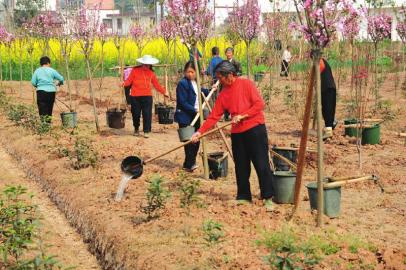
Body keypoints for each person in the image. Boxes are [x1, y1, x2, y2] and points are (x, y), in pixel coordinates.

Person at [191, 61, 275, 211]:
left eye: (220, 78)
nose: (219, 81)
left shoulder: (246, 84)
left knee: (261, 163)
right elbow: (213, 116)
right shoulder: (223, 94)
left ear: (230, 75)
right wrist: (199, 132)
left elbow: (259, 105)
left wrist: (243, 115)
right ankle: (243, 196)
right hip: (237, 133)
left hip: (255, 129)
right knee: (241, 166)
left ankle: (268, 196)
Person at [175, 61, 211, 172]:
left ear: (196, 73)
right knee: (189, 141)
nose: (190, 74)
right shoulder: (183, 84)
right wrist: (194, 109)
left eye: (192, 72)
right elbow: (182, 101)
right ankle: (189, 163)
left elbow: (203, 91)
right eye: (188, 72)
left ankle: (189, 163)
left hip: (197, 115)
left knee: (197, 139)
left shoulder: (196, 83)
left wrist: (211, 89)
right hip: (186, 116)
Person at [123, 55, 169, 138]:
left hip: (147, 96)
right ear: (142, 63)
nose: (146, 66)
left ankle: (146, 131)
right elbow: (129, 81)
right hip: (135, 96)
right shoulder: (134, 70)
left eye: (148, 64)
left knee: (147, 114)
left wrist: (164, 92)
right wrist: (123, 83)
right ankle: (136, 128)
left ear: (150, 65)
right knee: (135, 114)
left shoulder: (151, 73)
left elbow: (156, 85)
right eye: (145, 64)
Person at [310, 51, 337, 139]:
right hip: (329, 87)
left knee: (327, 109)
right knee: (328, 108)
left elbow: (317, 75)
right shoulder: (322, 61)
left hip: (327, 88)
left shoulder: (320, 62)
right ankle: (331, 124)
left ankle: (329, 130)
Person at [31, 56, 64, 122]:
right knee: (49, 108)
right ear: (48, 63)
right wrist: (59, 83)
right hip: (51, 92)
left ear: (41, 64)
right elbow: (61, 79)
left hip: (41, 92)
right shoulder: (52, 70)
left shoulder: (37, 71)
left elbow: (33, 82)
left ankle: (43, 125)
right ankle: (48, 123)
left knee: (42, 108)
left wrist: (39, 86)